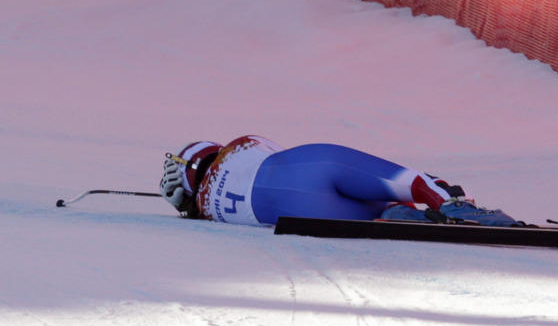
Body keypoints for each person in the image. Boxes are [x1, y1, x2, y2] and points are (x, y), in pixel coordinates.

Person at [160, 135, 520, 227]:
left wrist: (189, 207)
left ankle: (403, 215)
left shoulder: (210, 211)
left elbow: (196, 206)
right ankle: (454, 205)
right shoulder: (243, 145)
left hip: (300, 209)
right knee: (409, 183)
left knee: (383, 214)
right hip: (314, 164)